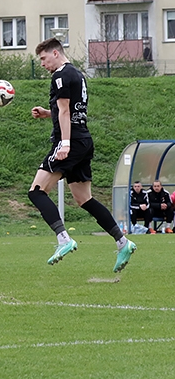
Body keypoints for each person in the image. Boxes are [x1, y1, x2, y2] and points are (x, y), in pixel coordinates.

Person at [27, 37, 135, 273]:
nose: (43, 64)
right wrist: (48, 113)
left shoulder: (60, 76)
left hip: (71, 142)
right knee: (83, 199)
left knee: (36, 191)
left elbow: (66, 111)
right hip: (83, 140)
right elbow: (71, 109)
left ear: (55, 53)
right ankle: (123, 242)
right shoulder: (76, 74)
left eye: (44, 59)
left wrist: (64, 143)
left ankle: (64, 239)